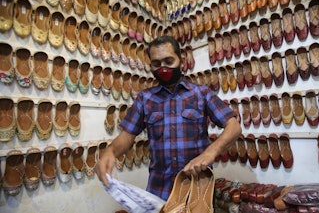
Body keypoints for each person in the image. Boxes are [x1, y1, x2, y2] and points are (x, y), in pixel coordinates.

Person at [95, 36, 242, 200]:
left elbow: (234, 126)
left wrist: (210, 153)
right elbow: (126, 136)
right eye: (157, 64)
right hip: (159, 190)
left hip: (198, 191)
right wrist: (111, 151)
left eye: (168, 61)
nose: (163, 68)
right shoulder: (145, 99)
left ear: (182, 60)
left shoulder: (201, 94)